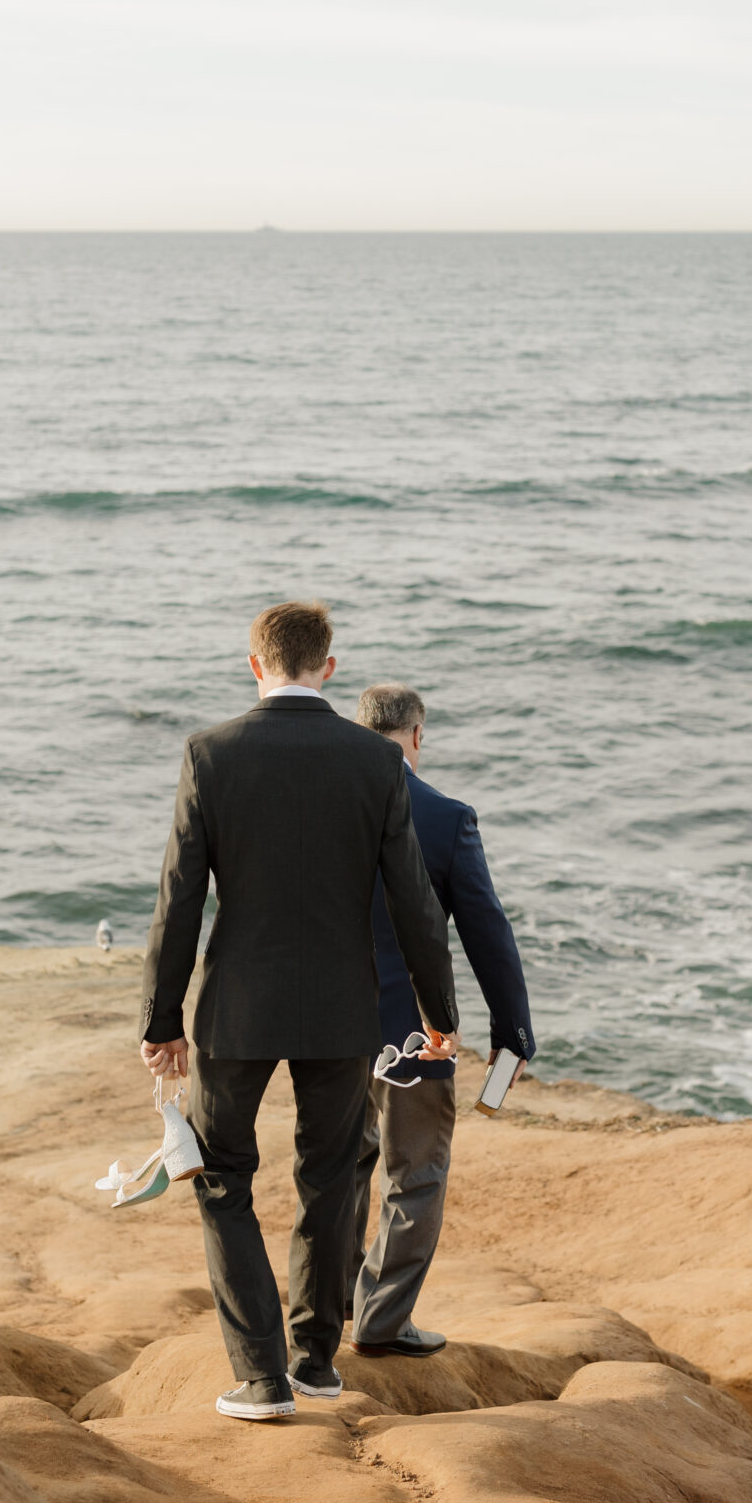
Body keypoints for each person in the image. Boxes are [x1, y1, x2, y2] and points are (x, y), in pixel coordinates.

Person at [138, 604, 459, 1422]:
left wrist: (160, 1020)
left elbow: (178, 899)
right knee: (327, 1181)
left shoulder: (210, 753)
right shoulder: (372, 761)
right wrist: (438, 1011)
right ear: (329, 666)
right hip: (341, 1009)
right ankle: (315, 1360)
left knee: (223, 1182)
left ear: (255, 665)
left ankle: (260, 1378)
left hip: (235, 1011)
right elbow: (414, 902)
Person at [348, 684, 534, 1358]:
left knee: (341, 1163)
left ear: (358, 731)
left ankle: (332, 1302)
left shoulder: (318, 810)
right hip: (415, 1033)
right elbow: (488, 934)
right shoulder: (446, 817)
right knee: (415, 1172)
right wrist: (511, 1034)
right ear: (416, 736)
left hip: (327, 1027)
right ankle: (382, 1320)